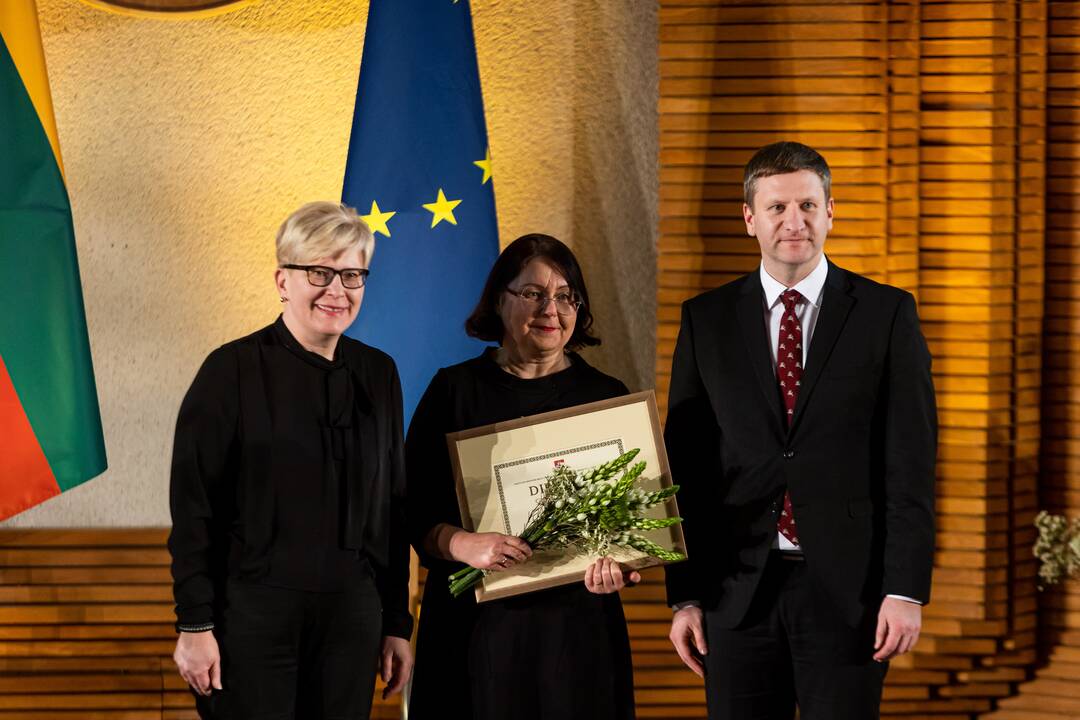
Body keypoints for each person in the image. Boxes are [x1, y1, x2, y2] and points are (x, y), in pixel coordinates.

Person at [664, 142, 937, 719]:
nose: (795, 222)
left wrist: (905, 589)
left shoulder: (887, 315)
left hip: (851, 596)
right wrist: (684, 595)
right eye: (778, 207)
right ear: (749, 218)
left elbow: (909, 463)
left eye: (809, 206)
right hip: (733, 595)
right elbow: (685, 467)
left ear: (830, 212)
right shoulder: (705, 320)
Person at [168, 201, 413, 719]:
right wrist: (194, 625)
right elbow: (194, 512)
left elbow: (391, 509)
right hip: (251, 619)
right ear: (283, 280)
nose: (337, 290)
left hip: (351, 618)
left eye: (352, 274)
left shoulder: (379, 374)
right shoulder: (230, 371)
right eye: (319, 273)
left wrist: (396, 622)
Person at [406, 234, 640, 720]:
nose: (550, 309)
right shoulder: (453, 391)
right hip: (473, 629)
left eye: (565, 295)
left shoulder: (606, 396)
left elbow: (630, 524)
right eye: (533, 293)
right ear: (499, 300)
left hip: (576, 634)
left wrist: (619, 563)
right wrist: (462, 545)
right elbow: (408, 508)